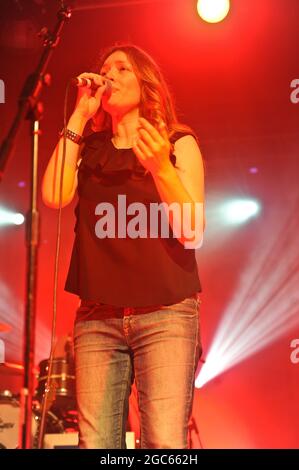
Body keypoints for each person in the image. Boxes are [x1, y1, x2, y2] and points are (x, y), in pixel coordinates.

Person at [42, 43, 205, 449]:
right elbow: (53, 195)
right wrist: (80, 113)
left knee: (164, 443)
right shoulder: (90, 148)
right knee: (95, 444)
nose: (109, 74)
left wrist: (161, 169)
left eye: (121, 68)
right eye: (105, 67)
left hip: (166, 313)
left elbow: (193, 231)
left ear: (145, 83)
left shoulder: (177, 141)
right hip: (99, 315)